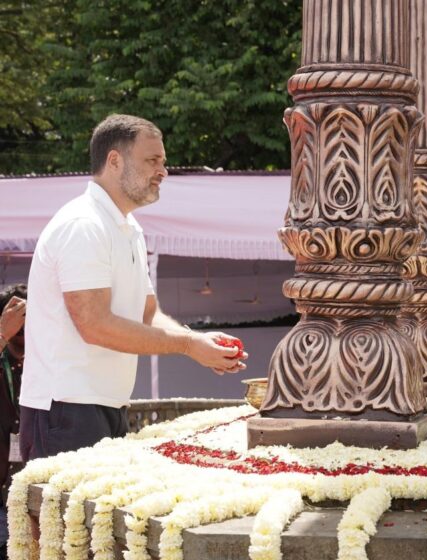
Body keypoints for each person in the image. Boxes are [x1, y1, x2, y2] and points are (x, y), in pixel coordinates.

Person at [19, 114, 248, 462]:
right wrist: (188, 345)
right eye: (152, 160)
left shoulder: (128, 228)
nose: (163, 171)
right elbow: (94, 325)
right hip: (65, 409)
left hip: (102, 405)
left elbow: (148, 314)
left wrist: (200, 342)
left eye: (163, 162)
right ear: (115, 160)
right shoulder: (83, 224)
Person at [0, 284, 26, 560]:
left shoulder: (45, 362)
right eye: (17, 328)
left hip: (31, 497)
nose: (24, 336)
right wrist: (2, 334)